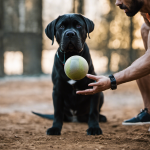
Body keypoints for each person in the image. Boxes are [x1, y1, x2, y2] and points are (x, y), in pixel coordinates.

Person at [77, 0, 150, 125]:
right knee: (146, 29)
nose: (117, 3)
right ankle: (149, 111)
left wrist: (111, 80)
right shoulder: (146, 13)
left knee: (144, 63)